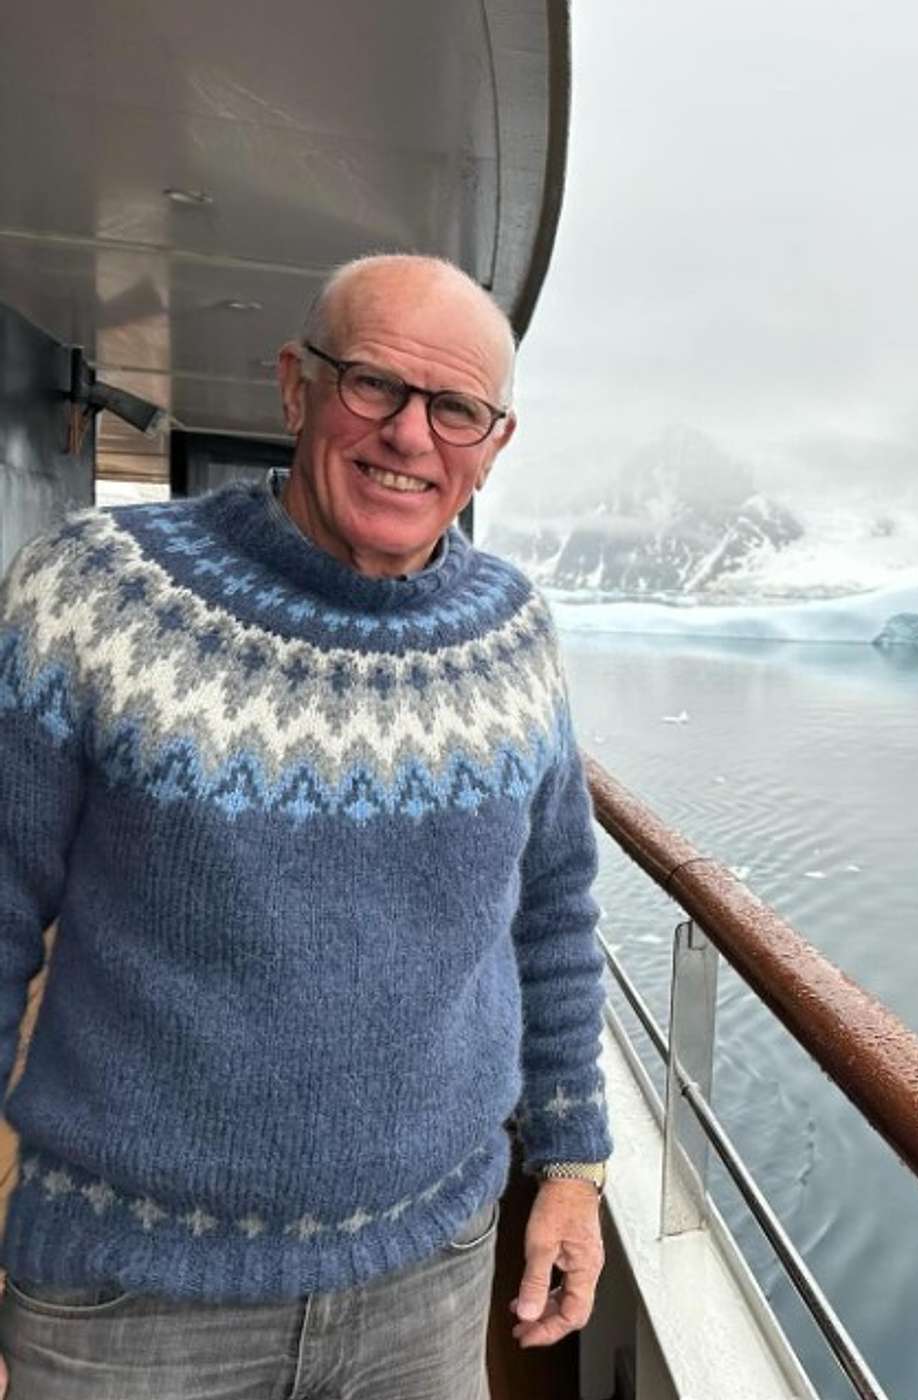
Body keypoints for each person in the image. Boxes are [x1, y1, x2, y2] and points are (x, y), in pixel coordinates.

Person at [0, 253, 610, 1399]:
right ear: (296, 384)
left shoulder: (515, 634)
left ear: (493, 443)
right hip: (132, 1294)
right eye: (372, 383)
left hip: (429, 1270)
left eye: (455, 408)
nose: (408, 435)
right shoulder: (94, 593)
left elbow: (553, 913)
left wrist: (572, 1164)